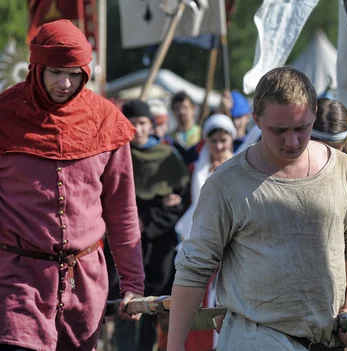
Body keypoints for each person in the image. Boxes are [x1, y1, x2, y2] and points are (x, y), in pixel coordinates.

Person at [167, 67, 347, 351]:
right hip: (254, 340)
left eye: (301, 128)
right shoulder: (227, 184)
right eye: (279, 130)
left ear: (314, 114)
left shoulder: (345, 170)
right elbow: (194, 269)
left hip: (332, 340)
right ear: (257, 119)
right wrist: (175, 346)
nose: (292, 141)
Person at [0, 20, 144, 351]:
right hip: (17, 279)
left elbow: (122, 211)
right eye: (55, 72)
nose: (65, 83)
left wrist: (132, 282)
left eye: (75, 73)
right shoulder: (4, 116)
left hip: (85, 285)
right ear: (37, 68)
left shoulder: (107, 121)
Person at [111, 100, 190, 351]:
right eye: (132, 123)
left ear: (151, 125)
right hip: (122, 244)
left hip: (158, 246)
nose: (139, 129)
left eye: (143, 123)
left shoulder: (168, 157)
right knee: (124, 306)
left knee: (153, 308)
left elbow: (180, 203)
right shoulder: (116, 156)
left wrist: (148, 222)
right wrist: (154, 207)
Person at [173, 113, 236, 351]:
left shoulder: (242, 168)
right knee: (198, 312)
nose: (219, 146)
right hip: (201, 251)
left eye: (224, 140)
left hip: (231, 253)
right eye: (214, 141)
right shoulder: (196, 171)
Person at [170, 91, 202, 165]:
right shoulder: (169, 138)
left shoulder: (202, 134)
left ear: (193, 108)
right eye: (177, 109)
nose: (181, 112)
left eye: (185, 107)